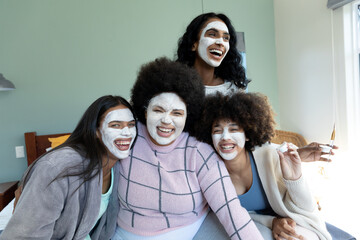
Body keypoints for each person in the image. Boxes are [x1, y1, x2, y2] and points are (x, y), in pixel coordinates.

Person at [112, 57, 264, 240]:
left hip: (183, 232)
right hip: (123, 233)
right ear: (145, 111)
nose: (166, 120)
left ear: (188, 116)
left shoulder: (199, 152)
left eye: (177, 113)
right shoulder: (128, 136)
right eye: (158, 110)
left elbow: (231, 211)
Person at [176, 12, 337, 161]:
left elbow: (250, 141)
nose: (220, 42)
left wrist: (296, 154)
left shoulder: (232, 90)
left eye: (226, 38)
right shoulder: (174, 88)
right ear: (193, 44)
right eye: (212, 34)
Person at [194, 92, 331, 240]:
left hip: (293, 221)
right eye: (217, 131)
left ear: (247, 134)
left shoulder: (270, 155)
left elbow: (306, 208)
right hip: (255, 227)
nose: (225, 137)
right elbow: (229, 217)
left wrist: (294, 178)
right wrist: (272, 222)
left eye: (233, 129)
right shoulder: (212, 174)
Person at [0, 95, 137, 240]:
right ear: (95, 130)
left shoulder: (118, 167)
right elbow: (25, 235)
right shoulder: (58, 168)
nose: (127, 132)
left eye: (131, 124)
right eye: (115, 125)